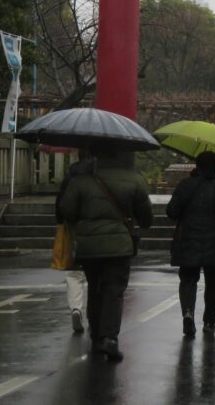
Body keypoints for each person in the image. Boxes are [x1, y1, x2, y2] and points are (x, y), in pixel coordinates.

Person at [58, 148, 153, 362]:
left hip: (89, 246)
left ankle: (95, 335)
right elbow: (146, 216)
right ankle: (109, 337)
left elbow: (66, 210)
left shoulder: (82, 179)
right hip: (119, 245)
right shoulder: (133, 179)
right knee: (114, 291)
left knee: (95, 288)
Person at [166, 151, 215, 337]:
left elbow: (171, 211)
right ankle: (209, 321)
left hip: (188, 239)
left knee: (187, 279)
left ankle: (188, 313)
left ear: (197, 166)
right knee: (214, 282)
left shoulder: (185, 185)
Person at [54, 155, 90, 335]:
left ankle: (76, 308)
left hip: (74, 230)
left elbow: (60, 207)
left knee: (74, 272)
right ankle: (95, 314)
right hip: (98, 229)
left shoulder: (72, 175)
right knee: (97, 275)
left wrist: (65, 221)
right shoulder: (101, 174)